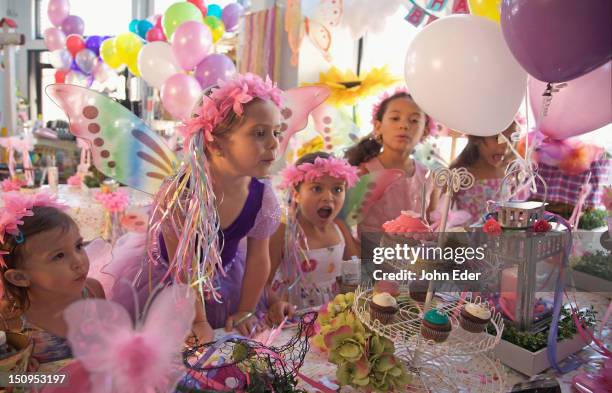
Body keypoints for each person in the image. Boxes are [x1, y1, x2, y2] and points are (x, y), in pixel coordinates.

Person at [0, 192, 104, 364]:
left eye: (78, 246)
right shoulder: (8, 320)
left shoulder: (93, 292)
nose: (79, 262)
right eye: (59, 256)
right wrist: (22, 374)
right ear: (19, 277)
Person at [267, 152, 360, 320]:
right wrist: (275, 303)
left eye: (337, 189)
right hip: (293, 318)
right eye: (317, 188)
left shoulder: (340, 229)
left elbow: (354, 276)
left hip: (331, 317)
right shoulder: (284, 232)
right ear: (296, 194)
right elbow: (262, 285)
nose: (328, 197)